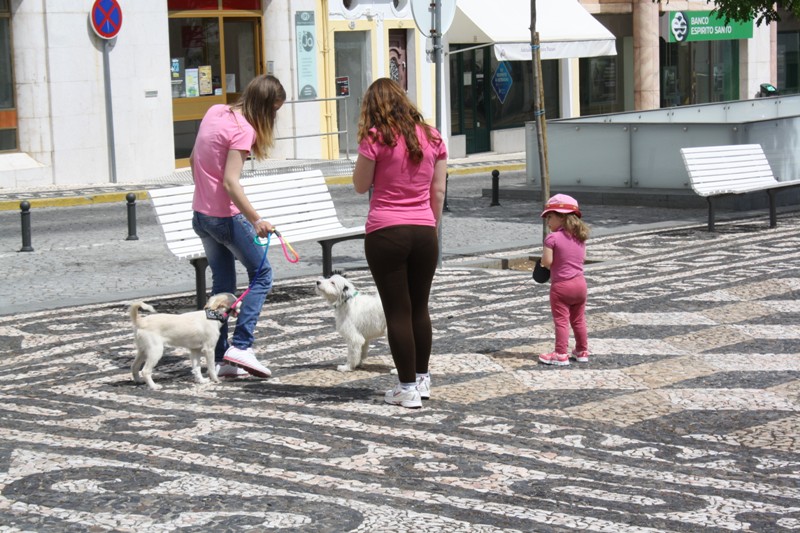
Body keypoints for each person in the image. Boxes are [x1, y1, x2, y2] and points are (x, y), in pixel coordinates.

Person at [352, 78, 448, 408]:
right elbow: (438, 191)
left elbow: (360, 185)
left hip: (385, 232)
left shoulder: (376, 137)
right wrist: (430, 227)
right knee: (420, 307)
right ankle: (421, 380)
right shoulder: (434, 136)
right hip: (424, 232)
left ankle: (405, 388)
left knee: (397, 310)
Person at [189, 74, 286, 379]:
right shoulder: (243, 131)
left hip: (200, 214)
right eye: (274, 112)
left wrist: (206, 197)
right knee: (263, 274)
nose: (274, 118)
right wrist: (257, 220)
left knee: (222, 287)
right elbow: (231, 183)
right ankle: (241, 346)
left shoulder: (215, 112)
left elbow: (193, 159)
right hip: (224, 218)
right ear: (265, 107)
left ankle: (219, 357)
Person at [538, 194, 591, 366]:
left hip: (561, 286)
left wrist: (541, 264)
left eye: (550, 217)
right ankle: (582, 350)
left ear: (561, 217)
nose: (548, 221)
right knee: (578, 319)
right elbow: (582, 258)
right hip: (580, 284)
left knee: (561, 320)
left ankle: (560, 354)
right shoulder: (580, 237)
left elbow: (547, 262)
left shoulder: (552, 238)